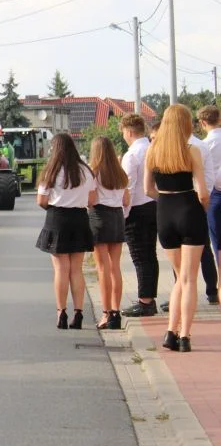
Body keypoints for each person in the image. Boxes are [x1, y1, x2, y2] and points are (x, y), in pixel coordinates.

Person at [146, 104, 211, 352]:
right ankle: (184, 336)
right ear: (185, 124)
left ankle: (170, 332)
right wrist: (200, 208)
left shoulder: (153, 151)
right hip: (188, 208)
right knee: (188, 279)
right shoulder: (191, 150)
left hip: (165, 211)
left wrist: (164, 198)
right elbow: (203, 192)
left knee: (178, 279)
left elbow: (146, 189)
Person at [36, 133, 96, 330]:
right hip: (79, 218)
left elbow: (41, 201)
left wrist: (57, 204)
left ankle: (61, 312)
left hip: (57, 219)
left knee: (61, 269)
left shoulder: (50, 172)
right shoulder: (86, 171)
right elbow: (92, 201)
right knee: (76, 269)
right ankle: (79, 313)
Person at [119, 114, 159, 317]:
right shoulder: (153, 148)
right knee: (150, 254)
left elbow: (129, 187)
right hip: (154, 205)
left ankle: (145, 301)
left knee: (139, 255)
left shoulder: (132, 155)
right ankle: (150, 296)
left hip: (136, 209)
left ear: (128, 131)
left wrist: (124, 215)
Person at [87, 136, 130, 330]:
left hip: (99, 217)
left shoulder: (94, 172)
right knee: (115, 267)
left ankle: (105, 313)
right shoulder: (120, 173)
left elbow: (92, 199)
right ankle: (115, 312)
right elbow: (127, 201)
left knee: (102, 268)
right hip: (117, 218)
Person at [199, 105, 221, 293]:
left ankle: (218, 283)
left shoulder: (204, 145)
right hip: (215, 193)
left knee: (217, 241)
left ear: (202, 123)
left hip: (215, 194)